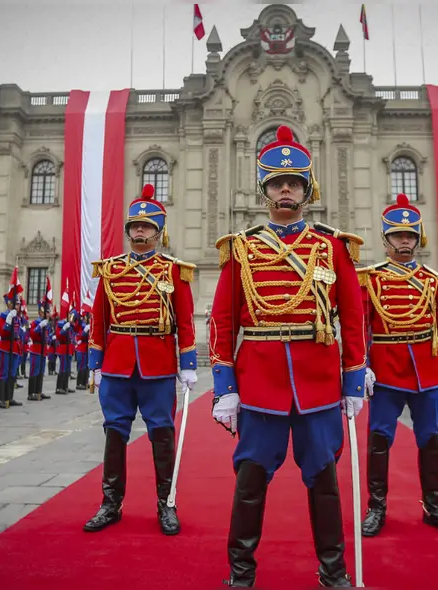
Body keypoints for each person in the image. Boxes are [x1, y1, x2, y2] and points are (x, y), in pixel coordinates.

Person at [209, 126, 365, 587]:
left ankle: (333, 571)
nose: (285, 190)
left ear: (306, 189)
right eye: (276, 183)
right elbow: (222, 320)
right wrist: (225, 387)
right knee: (251, 480)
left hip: (318, 384)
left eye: (293, 182)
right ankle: (240, 572)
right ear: (264, 191)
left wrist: (354, 381)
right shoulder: (242, 248)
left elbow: (353, 318)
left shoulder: (331, 247)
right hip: (259, 385)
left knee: (323, 480)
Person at [84, 183, 198, 536]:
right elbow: (99, 319)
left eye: (147, 226)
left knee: (161, 436)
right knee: (114, 434)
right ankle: (110, 503)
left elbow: (185, 320)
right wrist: (96, 363)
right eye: (135, 225)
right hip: (118, 365)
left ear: (158, 231)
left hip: (158, 366)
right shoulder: (110, 270)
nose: (140, 230)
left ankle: (167, 504)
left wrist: (188, 364)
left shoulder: (174, 272)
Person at [357, 193, 438, 539]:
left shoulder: (434, 282)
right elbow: (360, 325)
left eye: (410, 235)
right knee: (379, 439)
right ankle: (377, 508)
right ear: (386, 239)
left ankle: (434, 507)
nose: (404, 240)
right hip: (387, 373)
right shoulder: (370, 279)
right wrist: (362, 365)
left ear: (418, 239)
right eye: (398, 235)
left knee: (429, 438)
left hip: (427, 372)